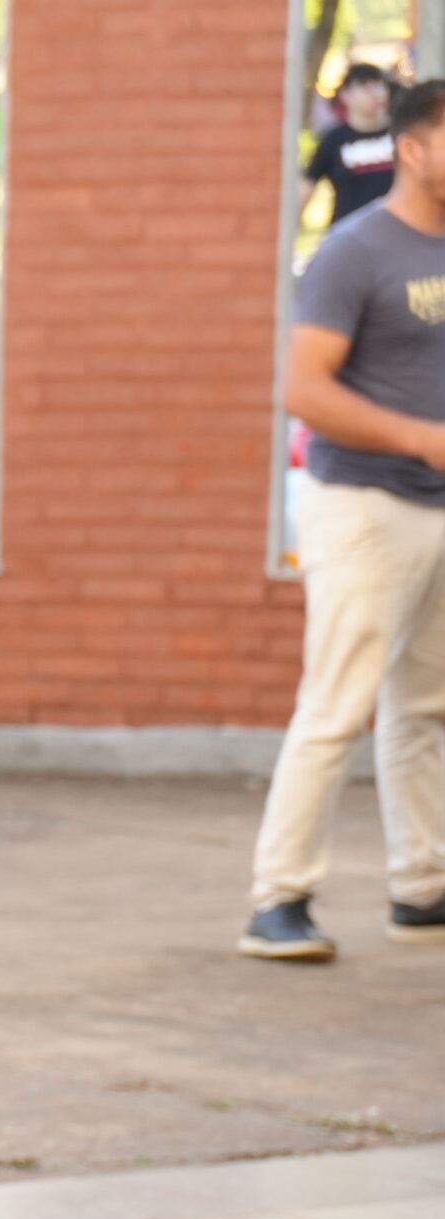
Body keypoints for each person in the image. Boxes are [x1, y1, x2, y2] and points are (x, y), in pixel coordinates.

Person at [245, 78, 445, 958]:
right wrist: (423, 438)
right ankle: (278, 899)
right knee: (337, 704)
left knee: (425, 706)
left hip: (436, 507)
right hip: (361, 506)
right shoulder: (355, 251)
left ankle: (422, 888)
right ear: (412, 149)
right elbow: (303, 389)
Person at [301, 64, 398, 234]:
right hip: (348, 234)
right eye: (365, 87)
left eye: (379, 85)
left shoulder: (402, 134)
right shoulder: (333, 140)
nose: (375, 94)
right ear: (346, 95)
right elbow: (306, 187)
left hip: (396, 233)